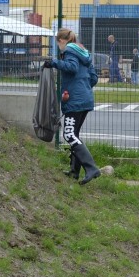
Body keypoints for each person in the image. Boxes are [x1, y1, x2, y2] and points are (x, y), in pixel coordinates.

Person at [44, 28, 101, 185]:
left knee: (69, 135)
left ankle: (91, 168)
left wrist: (54, 62)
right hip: (85, 98)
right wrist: (82, 87)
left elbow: (72, 67)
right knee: (74, 133)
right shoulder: (83, 51)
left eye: (58, 43)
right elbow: (94, 78)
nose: (58, 46)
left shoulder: (68, 50)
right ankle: (74, 172)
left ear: (61, 41)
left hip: (74, 100)